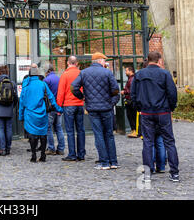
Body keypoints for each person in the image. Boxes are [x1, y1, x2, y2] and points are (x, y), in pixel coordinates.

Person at [131, 51, 179, 183]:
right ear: (159, 60)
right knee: (169, 142)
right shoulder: (164, 74)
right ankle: (174, 173)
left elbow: (133, 94)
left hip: (146, 113)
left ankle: (147, 173)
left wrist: (139, 108)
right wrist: (171, 108)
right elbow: (172, 93)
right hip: (163, 112)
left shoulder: (139, 74)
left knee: (147, 142)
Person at [71, 52, 120, 170]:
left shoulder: (84, 73)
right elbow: (115, 90)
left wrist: (82, 97)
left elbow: (73, 87)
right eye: (104, 60)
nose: (105, 62)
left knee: (98, 135)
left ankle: (104, 162)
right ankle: (113, 162)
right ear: (99, 61)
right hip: (106, 108)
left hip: (92, 108)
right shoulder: (107, 72)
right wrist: (111, 102)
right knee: (109, 135)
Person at [19, 64, 63, 163]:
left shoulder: (26, 85)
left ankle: (33, 155)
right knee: (43, 134)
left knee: (32, 135)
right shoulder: (43, 84)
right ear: (38, 74)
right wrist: (59, 109)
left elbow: (22, 102)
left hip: (30, 114)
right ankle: (43, 155)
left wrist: (21, 115)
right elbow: (51, 98)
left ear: (29, 74)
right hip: (42, 113)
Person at [56, 55, 86, 162]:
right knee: (81, 130)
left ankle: (72, 154)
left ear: (68, 63)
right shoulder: (81, 73)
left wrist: (59, 106)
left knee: (70, 131)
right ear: (77, 63)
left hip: (68, 105)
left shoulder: (65, 75)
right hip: (80, 104)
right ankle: (81, 154)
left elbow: (61, 92)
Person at [0, 65, 18, 156]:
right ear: (8, 72)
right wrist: (12, 106)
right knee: (8, 128)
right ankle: (8, 148)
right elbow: (16, 98)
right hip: (9, 109)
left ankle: (2, 149)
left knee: (0, 128)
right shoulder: (12, 83)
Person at [43, 64, 65, 156]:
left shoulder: (46, 80)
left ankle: (51, 148)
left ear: (47, 71)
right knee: (59, 128)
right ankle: (61, 149)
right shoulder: (59, 78)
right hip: (59, 107)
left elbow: (45, 95)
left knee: (48, 128)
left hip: (50, 108)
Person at [121, 66, 138, 138]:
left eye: (126, 71)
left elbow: (131, 90)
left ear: (130, 71)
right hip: (131, 100)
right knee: (131, 116)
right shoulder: (132, 79)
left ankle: (134, 131)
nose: (125, 72)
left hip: (131, 101)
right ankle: (133, 130)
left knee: (131, 116)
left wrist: (124, 92)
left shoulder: (131, 79)